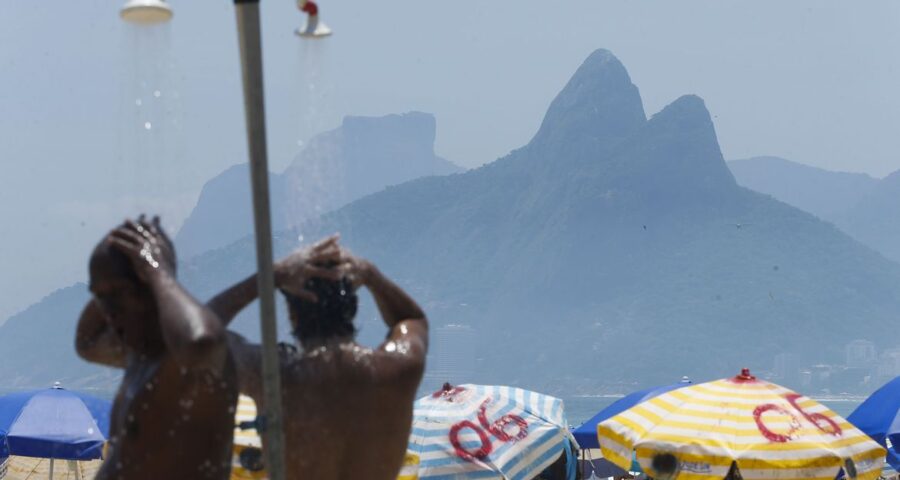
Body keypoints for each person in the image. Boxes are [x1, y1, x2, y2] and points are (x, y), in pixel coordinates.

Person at [208, 235, 429, 479]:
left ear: (292, 315)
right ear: (353, 308)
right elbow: (413, 320)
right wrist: (370, 274)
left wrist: (271, 276)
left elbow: (202, 336)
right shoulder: (395, 370)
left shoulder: (271, 375)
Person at [75, 216, 237, 480]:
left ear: (151, 288)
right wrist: (114, 268)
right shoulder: (139, 358)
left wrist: (158, 269)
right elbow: (85, 342)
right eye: (100, 297)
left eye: (119, 293)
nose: (108, 313)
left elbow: (202, 340)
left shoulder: (181, 366)